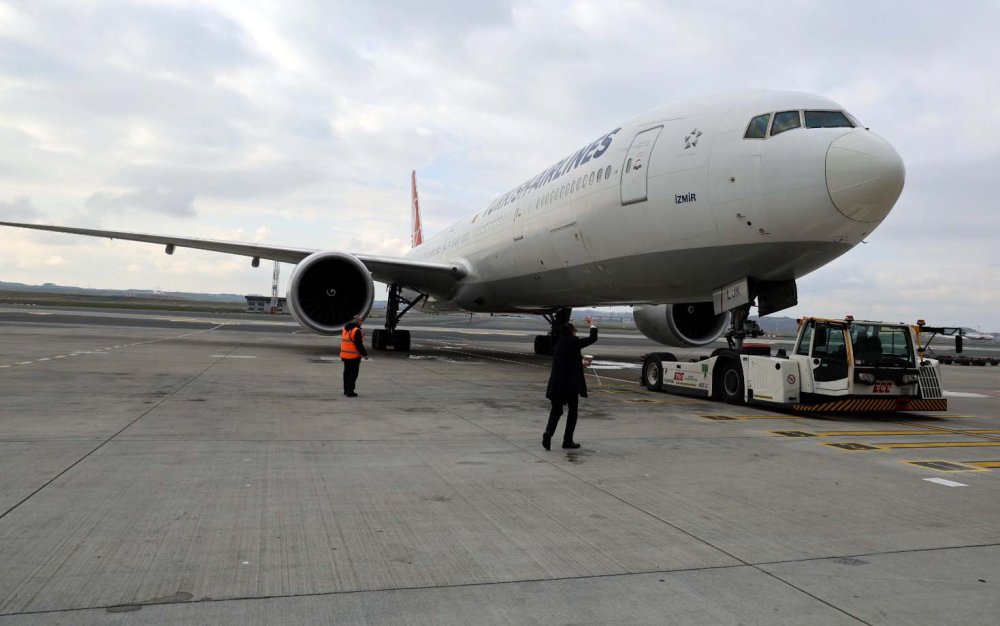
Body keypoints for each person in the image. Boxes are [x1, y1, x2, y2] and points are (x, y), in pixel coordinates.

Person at [543, 315, 598, 450]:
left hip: (556, 385)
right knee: (573, 412)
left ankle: (548, 434)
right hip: (569, 386)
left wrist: (581, 363)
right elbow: (593, 338)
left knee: (556, 411)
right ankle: (567, 440)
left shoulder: (558, 344)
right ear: (572, 332)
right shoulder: (573, 342)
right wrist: (592, 324)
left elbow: (566, 361)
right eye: (575, 331)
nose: (576, 333)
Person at [340, 315, 368, 397]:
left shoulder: (345, 329)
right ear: (357, 321)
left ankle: (345, 390)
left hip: (345, 355)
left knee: (346, 373)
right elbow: (359, 345)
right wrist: (365, 354)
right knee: (353, 374)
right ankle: (350, 391)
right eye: (360, 320)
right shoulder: (356, 331)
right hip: (354, 356)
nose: (362, 322)